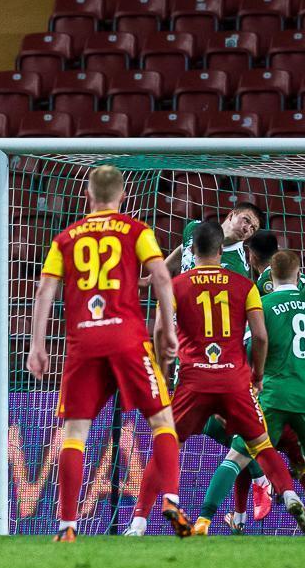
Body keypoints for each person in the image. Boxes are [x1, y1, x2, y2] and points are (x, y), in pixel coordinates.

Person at [27, 165, 189, 541]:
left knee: (74, 433)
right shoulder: (136, 230)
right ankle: (170, 499)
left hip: (83, 342)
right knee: (162, 421)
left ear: (87, 195)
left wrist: (37, 345)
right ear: (123, 195)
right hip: (127, 338)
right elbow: (161, 277)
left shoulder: (65, 238)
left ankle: (68, 525)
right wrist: (168, 329)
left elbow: (45, 290)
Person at [126, 220, 305, 536]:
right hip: (234, 379)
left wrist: (164, 370)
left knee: (166, 445)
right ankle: (289, 495)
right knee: (261, 444)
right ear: (220, 250)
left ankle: (139, 522)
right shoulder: (245, 285)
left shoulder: (174, 285)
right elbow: (261, 336)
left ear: (192, 249)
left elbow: (160, 331)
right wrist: (257, 375)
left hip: (193, 380)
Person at [196, 251, 305, 536]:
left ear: (270, 276)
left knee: (237, 457)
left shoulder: (263, 304)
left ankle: (204, 521)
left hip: (272, 396)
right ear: (299, 275)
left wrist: (256, 373)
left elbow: (248, 347)